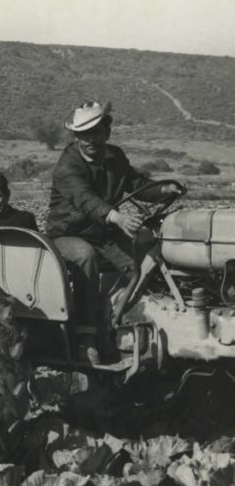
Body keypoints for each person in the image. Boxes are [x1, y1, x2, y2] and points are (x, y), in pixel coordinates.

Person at [46, 101, 179, 363]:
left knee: (143, 262)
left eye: (96, 132)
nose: (91, 140)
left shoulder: (115, 157)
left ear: (106, 131)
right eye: (84, 135)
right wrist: (117, 218)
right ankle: (85, 337)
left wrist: (162, 190)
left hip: (103, 233)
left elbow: (137, 184)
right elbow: (85, 200)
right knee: (85, 256)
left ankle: (121, 323)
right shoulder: (67, 166)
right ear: (76, 137)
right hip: (68, 234)